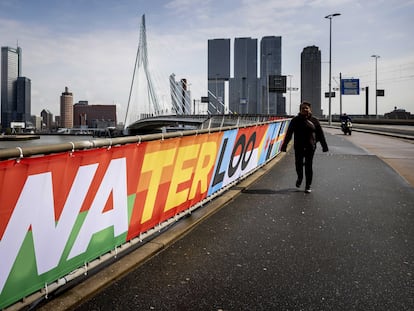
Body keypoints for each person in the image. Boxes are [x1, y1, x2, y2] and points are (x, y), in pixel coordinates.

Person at [280, 101, 329, 193]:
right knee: (298, 164)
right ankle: (300, 177)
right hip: (298, 146)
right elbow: (289, 134)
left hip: (310, 146)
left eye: (307, 108)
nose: (305, 110)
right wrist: (284, 145)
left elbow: (320, 134)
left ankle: (308, 185)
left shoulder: (315, 121)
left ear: (310, 110)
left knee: (308, 165)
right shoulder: (295, 120)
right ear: (300, 110)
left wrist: (324, 146)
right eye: (303, 108)